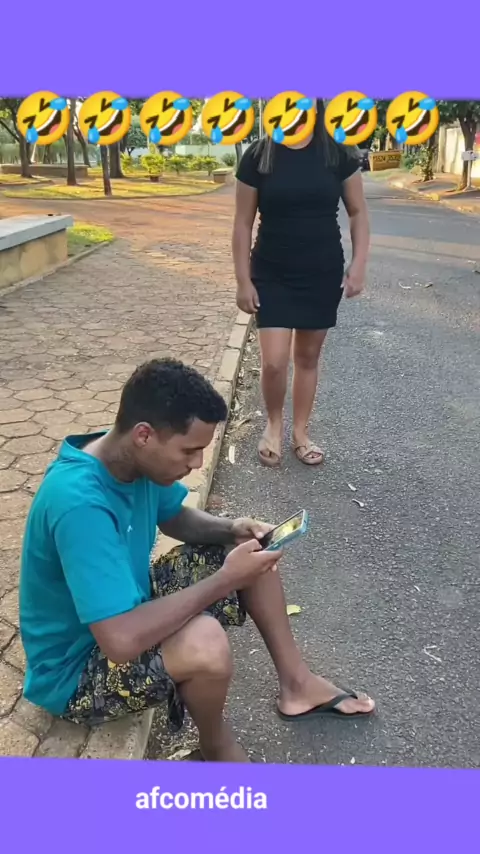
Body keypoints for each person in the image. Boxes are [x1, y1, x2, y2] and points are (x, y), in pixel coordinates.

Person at [19, 358, 374, 763]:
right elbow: (119, 641)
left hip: (128, 606)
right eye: (189, 451)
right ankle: (215, 747)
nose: (197, 464)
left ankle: (297, 685)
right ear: (144, 435)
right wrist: (224, 580)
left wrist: (231, 529)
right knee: (205, 642)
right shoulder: (80, 504)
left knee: (249, 554)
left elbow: (175, 516)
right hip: (77, 671)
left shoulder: (128, 458)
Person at [232, 99, 370, 467]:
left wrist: (359, 264)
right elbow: (242, 223)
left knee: (307, 358)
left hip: (320, 272)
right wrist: (243, 279)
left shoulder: (337, 152)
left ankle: (300, 432)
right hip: (271, 272)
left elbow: (358, 212)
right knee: (275, 362)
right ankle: (274, 425)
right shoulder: (259, 155)